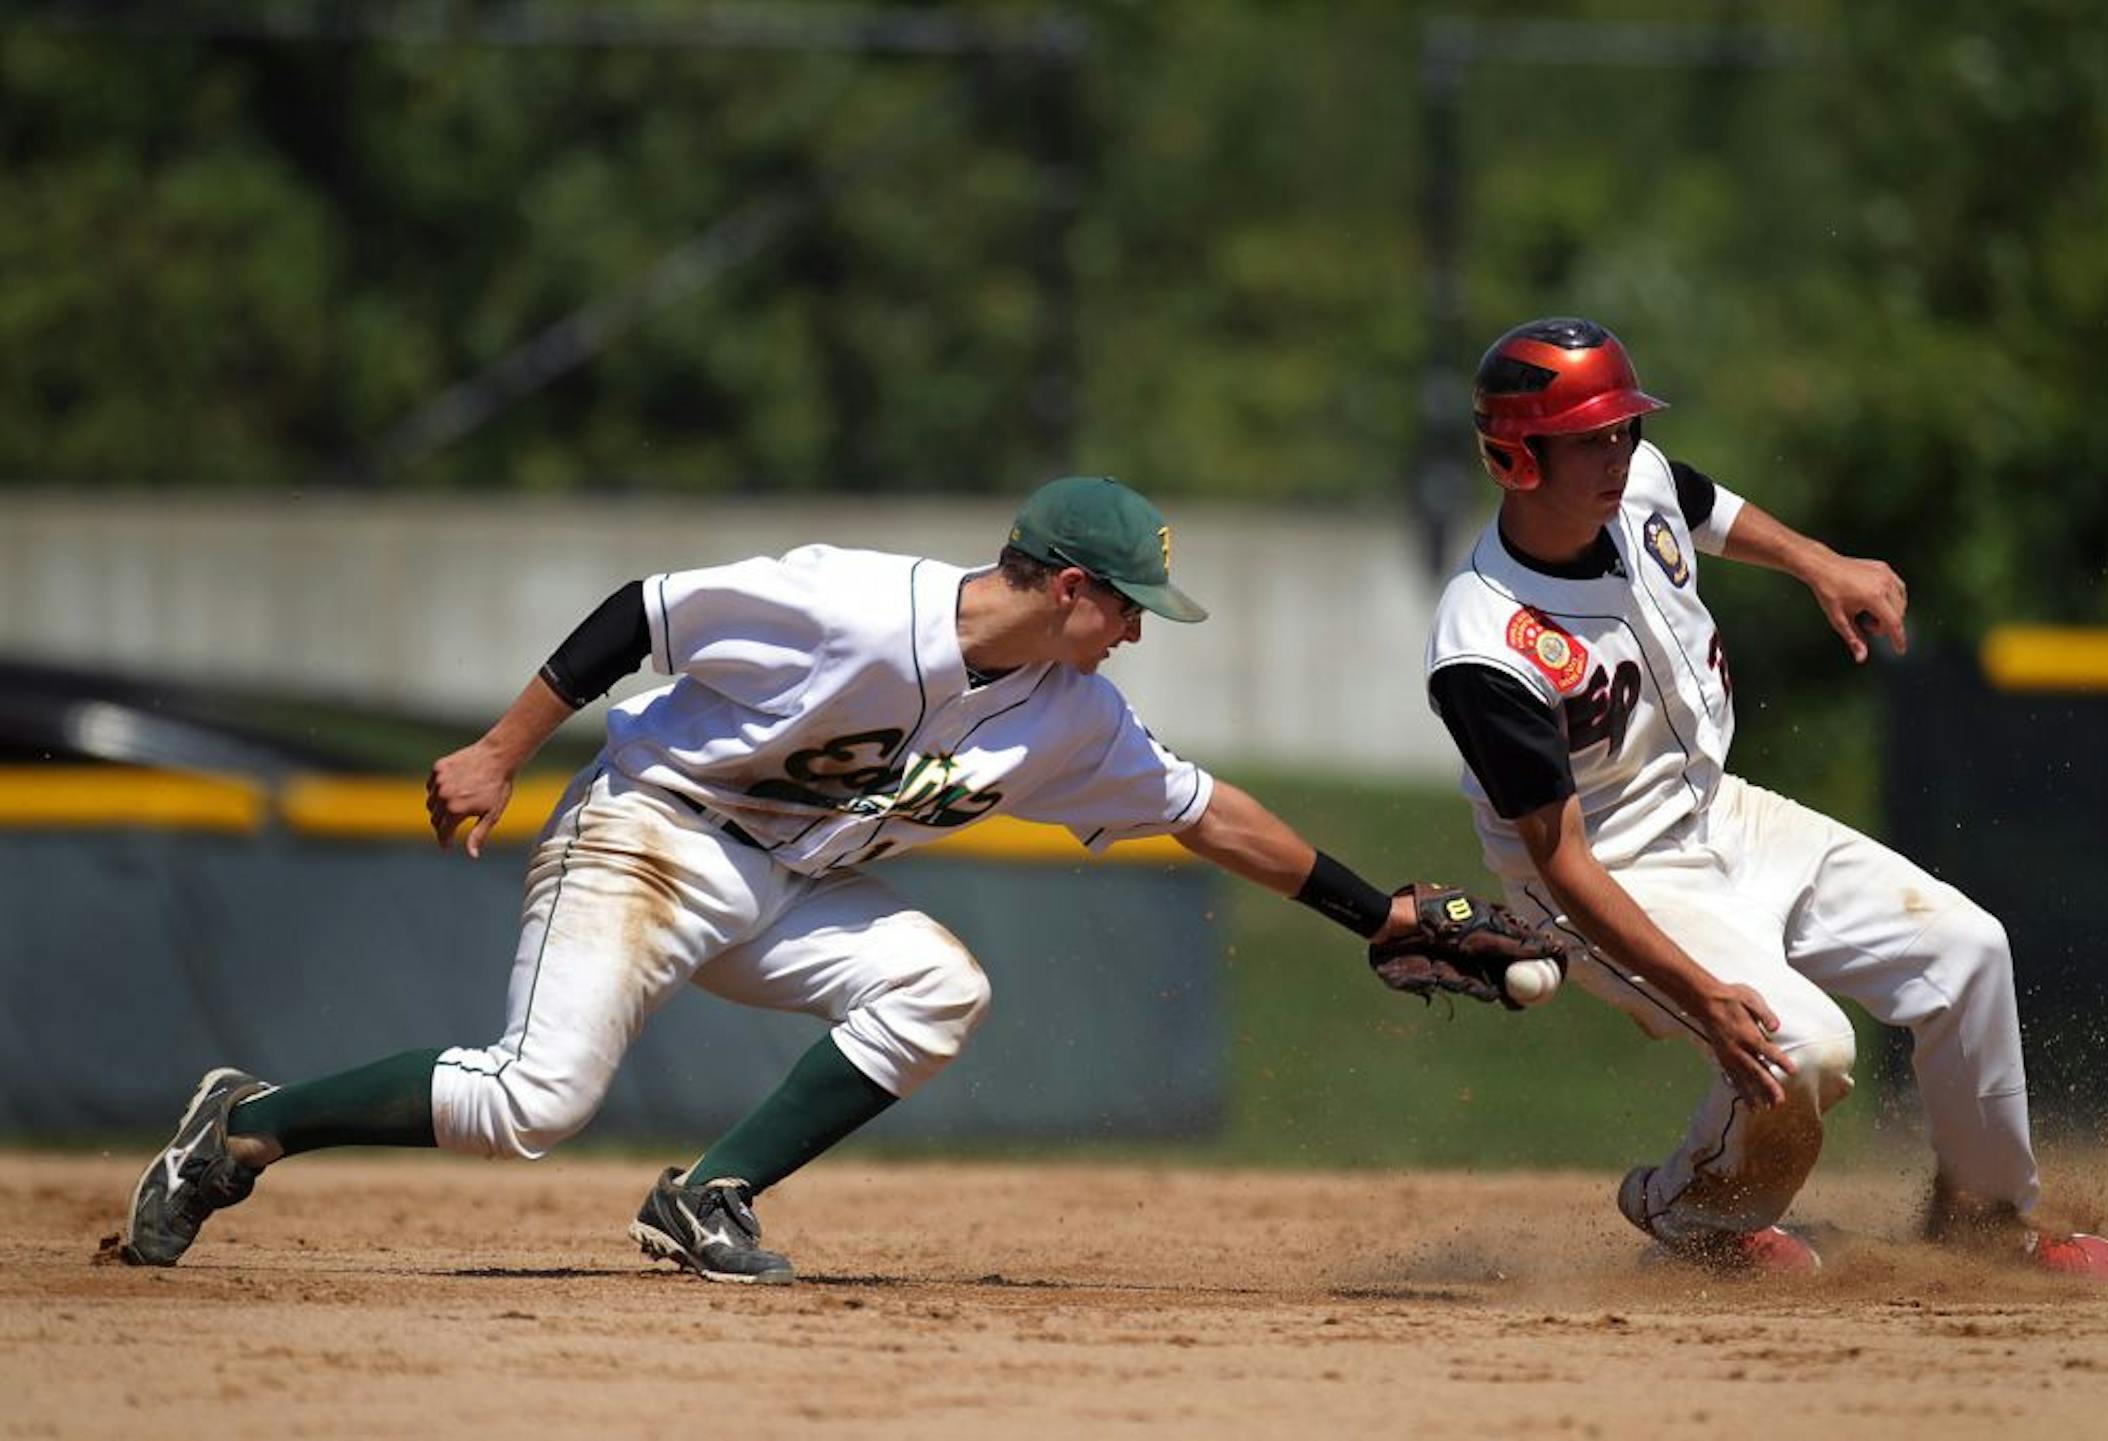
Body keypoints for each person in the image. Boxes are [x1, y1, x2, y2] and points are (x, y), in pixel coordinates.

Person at [122, 475, 1487, 1284]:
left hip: (791, 884)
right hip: (654, 833)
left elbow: (1210, 816)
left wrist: (1381, 914)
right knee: (527, 1103)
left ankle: (706, 1196)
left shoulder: (1072, 717)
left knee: (936, 987)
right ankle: (247, 1125)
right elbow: (641, 615)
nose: (1137, 633)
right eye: (1127, 605)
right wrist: (499, 748)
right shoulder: (848, 604)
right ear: (1068, 586)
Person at [1422, 317, 2108, 1280]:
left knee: (1968, 950)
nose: (1618, 451)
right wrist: (1701, 993)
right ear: (1516, 459)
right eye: (1587, 435)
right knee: (1802, 1047)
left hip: (1723, 811)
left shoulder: (1634, 482)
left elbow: (1699, 500)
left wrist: (1816, 561)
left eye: (1623, 426)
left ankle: (1984, 1218)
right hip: (1611, 873)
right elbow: (1562, 860)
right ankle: (1688, 1205)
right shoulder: (1488, 642)